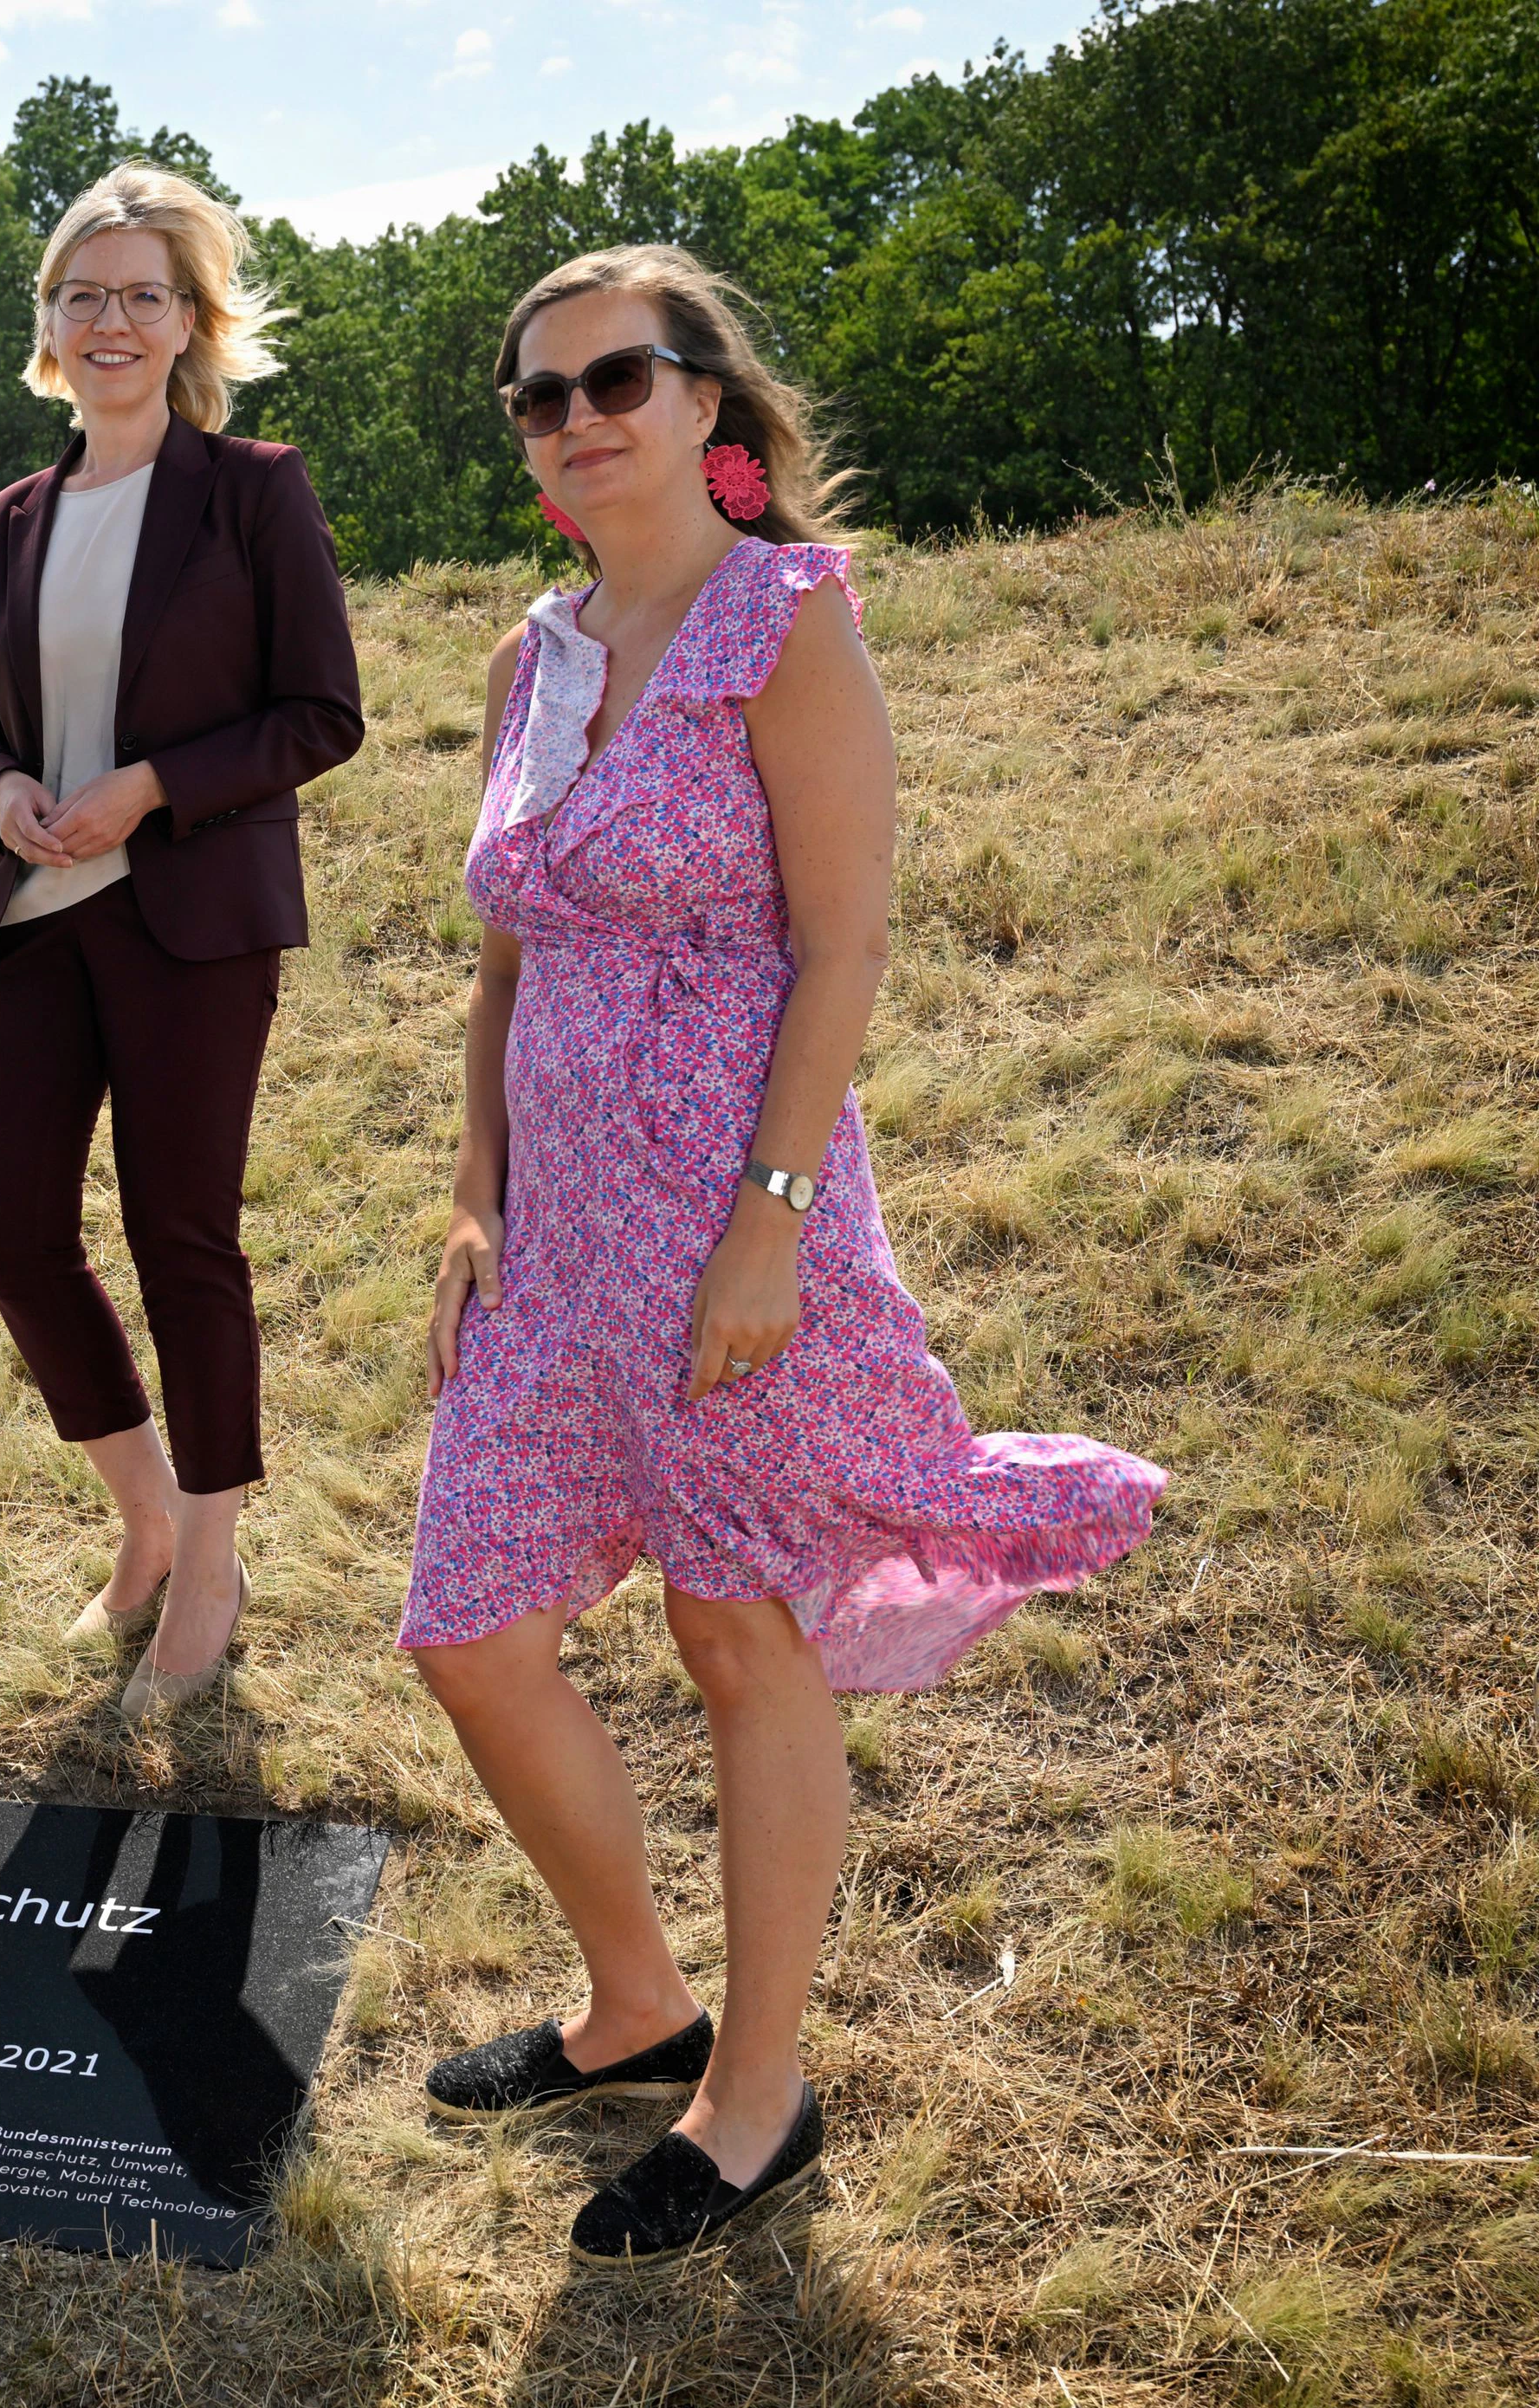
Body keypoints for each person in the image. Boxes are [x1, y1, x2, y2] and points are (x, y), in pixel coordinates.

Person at [402, 246, 1165, 2265]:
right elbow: (504, 949)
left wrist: (767, 1227)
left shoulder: (783, 625)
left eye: (613, 379)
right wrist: (469, 1185)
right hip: (548, 1243)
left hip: (733, 1233)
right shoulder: (531, 652)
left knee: (734, 1635)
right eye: (535, 394)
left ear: (705, 401)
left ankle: (752, 2095)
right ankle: (630, 2000)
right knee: (469, 1629)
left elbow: (840, 949)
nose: (572, 418)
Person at [0, 165, 364, 1719]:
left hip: (191, 918)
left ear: (191, 322)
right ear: (49, 330)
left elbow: (323, 714)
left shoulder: (253, 489)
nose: (108, 319)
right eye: (81, 295)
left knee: (183, 1241)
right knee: (6, 1224)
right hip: (38, 915)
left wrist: (154, 789)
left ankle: (209, 1563)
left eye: (139, 294)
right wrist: (1, 800)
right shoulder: (10, 522)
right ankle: (140, 1522)